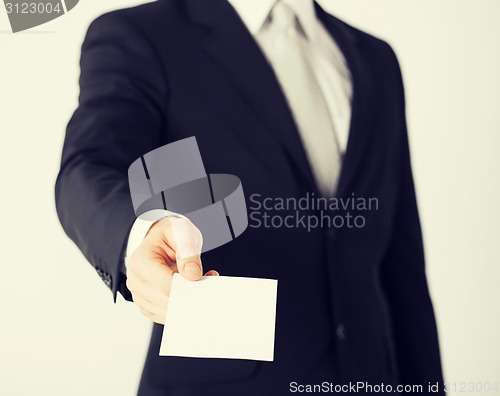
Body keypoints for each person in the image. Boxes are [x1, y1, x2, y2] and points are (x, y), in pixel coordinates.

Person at [55, 0, 445, 394]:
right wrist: (138, 236)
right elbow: (88, 167)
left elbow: (402, 268)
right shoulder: (142, 36)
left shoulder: (375, 59)